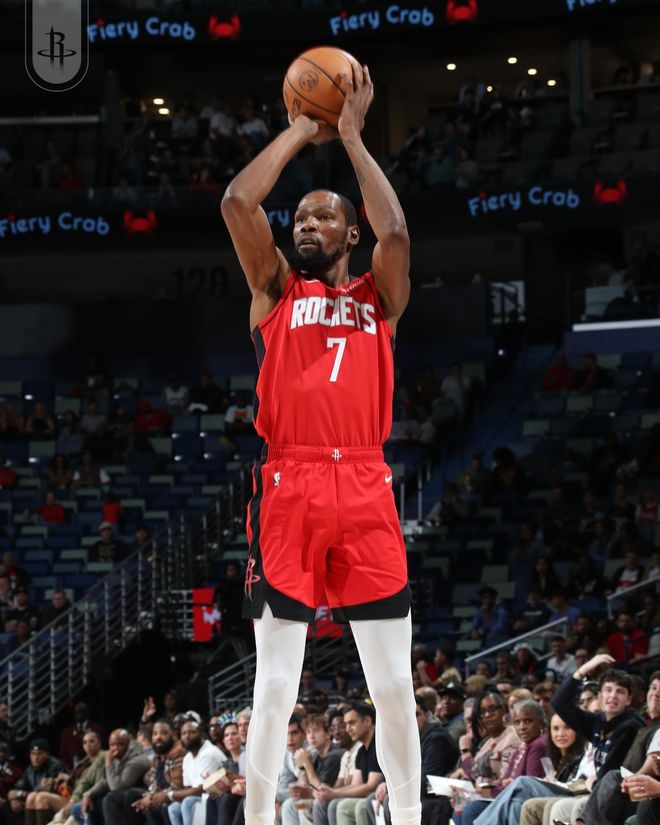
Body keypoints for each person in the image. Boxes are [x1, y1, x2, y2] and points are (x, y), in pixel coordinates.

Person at [221, 60, 421, 825]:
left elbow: (396, 230)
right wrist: (302, 129)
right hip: (291, 486)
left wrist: (352, 138)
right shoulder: (275, 290)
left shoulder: (380, 297)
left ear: (350, 232)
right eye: (300, 217)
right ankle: (259, 819)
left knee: (393, 684)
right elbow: (238, 201)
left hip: (366, 487)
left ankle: (410, 817)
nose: (305, 225)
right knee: (276, 682)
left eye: (323, 217)